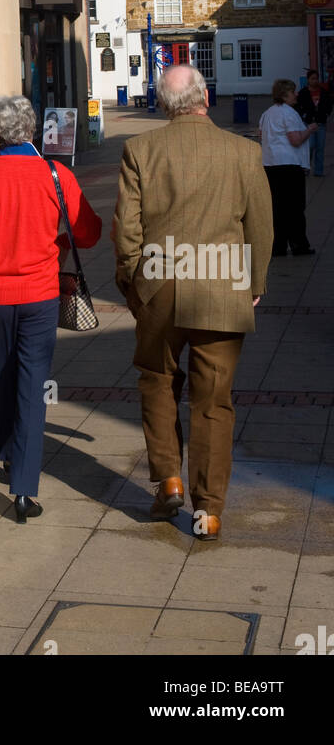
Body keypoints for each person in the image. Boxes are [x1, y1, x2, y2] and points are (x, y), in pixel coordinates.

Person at [112, 65, 273, 542]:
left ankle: (169, 481)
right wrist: (255, 280)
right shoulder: (244, 152)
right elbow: (260, 226)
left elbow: (127, 229)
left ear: (164, 104)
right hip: (223, 283)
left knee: (158, 382)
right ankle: (208, 510)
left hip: (161, 283)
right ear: (206, 97)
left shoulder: (140, 149)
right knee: (213, 402)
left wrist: (133, 281)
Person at [0, 95, 102, 522]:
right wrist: (60, 242)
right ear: (31, 131)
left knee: (6, 375)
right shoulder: (56, 174)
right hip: (40, 294)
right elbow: (88, 233)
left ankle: (10, 451)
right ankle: (23, 487)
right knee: (32, 385)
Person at [260, 79, 318, 257]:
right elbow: (295, 140)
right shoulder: (289, 113)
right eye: (293, 92)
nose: (296, 95)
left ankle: (278, 246)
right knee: (294, 207)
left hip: (270, 164)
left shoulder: (267, 113)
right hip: (289, 165)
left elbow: (261, 136)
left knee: (277, 208)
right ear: (285, 94)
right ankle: (299, 244)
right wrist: (310, 129)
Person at [295, 70, 332, 178]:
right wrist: (304, 116)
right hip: (308, 124)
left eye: (316, 78)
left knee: (320, 148)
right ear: (308, 80)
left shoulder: (323, 92)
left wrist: (326, 113)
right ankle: (306, 167)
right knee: (310, 146)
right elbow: (298, 106)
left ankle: (318, 171)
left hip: (321, 123)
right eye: (312, 78)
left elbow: (329, 105)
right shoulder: (303, 92)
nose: (315, 81)